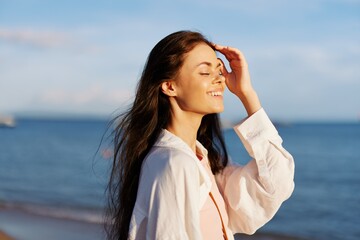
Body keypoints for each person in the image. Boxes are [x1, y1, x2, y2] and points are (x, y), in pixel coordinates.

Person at [105, 30, 295, 240]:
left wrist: (247, 93)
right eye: (205, 72)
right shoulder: (174, 163)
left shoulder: (203, 160)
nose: (220, 80)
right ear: (169, 86)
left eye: (220, 71)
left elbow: (276, 183)